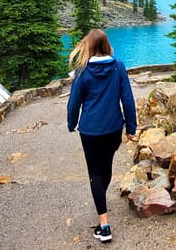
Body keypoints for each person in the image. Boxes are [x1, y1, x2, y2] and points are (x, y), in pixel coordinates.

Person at [66, 29, 137, 244]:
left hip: (90, 131)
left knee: (95, 173)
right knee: (105, 168)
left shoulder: (83, 71)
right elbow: (128, 99)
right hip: (114, 128)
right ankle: (101, 201)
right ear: (106, 45)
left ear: (88, 45)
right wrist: (131, 127)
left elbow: (74, 102)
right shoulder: (118, 67)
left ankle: (104, 225)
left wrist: (71, 124)